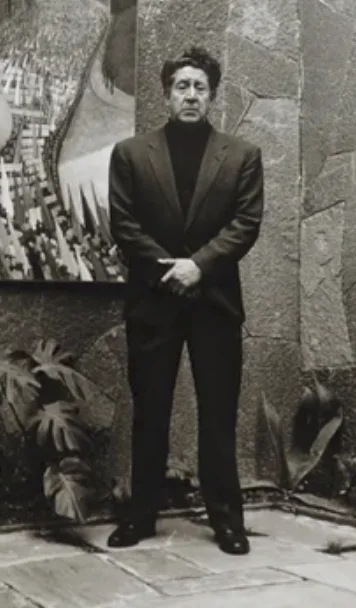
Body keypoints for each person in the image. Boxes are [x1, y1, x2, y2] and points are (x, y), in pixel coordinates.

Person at [108, 45, 264, 555]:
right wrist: (169, 271)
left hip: (215, 304)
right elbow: (124, 225)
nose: (191, 95)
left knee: (218, 416)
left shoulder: (242, 156)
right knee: (149, 412)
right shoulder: (131, 154)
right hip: (153, 304)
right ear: (167, 95)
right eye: (182, 86)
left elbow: (246, 223)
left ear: (212, 95)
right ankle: (140, 516)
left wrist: (198, 266)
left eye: (200, 87)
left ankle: (228, 522)